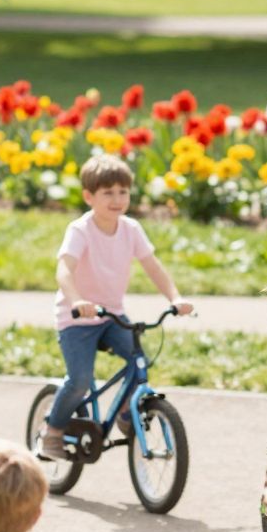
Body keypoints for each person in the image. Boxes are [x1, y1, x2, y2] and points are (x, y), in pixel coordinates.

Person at [38, 154, 193, 460]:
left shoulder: (131, 229)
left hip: (111, 315)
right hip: (77, 319)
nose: (117, 199)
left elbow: (153, 266)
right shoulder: (81, 230)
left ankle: (125, 413)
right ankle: (52, 433)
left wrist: (174, 298)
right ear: (88, 196)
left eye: (123, 192)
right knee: (80, 380)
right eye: (107, 192)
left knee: (139, 363)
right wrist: (77, 301)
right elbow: (63, 270)